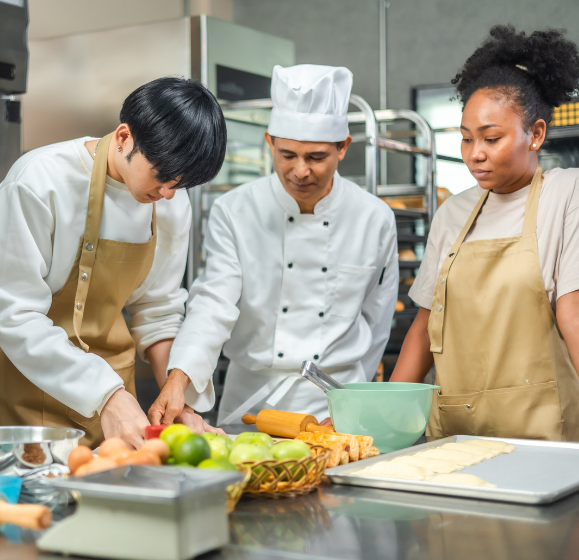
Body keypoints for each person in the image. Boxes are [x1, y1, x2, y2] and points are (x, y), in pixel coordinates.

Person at [0, 77, 227, 449]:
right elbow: (14, 315)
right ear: (124, 137)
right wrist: (106, 394)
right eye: (162, 176)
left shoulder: (170, 204)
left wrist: (177, 394)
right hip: (21, 392)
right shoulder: (40, 181)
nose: (168, 193)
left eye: (181, 184)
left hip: (116, 403)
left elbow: (157, 310)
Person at [149, 65, 399, 428]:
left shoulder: (374, 217)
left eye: (316, 157)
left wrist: (355, 403)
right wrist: (179, 376)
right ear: (269, 142)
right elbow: (213, 301)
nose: (300, 171)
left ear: (343, 147)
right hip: (253, 399)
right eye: (286, 155)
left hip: (336, 402)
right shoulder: (235, 210)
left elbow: (377, 323)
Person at [391, 25, 579, 441]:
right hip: (452, 438)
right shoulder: (453, 212)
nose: (475, 155)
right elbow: (424, 327)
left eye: (491, 138)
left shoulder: (570, 193)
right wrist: (382, 426)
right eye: (467, 139)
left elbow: (578, 311)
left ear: (536, 134)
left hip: (541, 439)